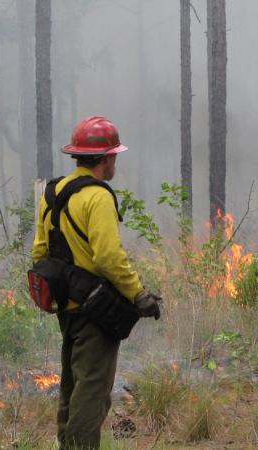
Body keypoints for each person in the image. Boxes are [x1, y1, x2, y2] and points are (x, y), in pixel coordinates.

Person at [32, 115, 161, 449]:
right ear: (107, 158)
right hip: (95, 313)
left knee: (73, 387)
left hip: (67, 310)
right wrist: (140, 295)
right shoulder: (98, 196)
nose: (115, 160)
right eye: (114, 155)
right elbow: (108, 257)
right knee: (92, 393)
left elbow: (40, 253)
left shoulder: (53, 191)